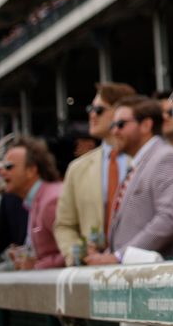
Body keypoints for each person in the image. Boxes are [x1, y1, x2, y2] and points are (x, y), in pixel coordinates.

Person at [86, 97, 173, 263]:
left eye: (121, 124)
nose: (114, 131)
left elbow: (171, 219)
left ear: (146, 125)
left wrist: (119, 257)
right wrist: (109, 254)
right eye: (112, 125)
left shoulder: (166, 159)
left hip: (166, 280)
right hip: (147, 280)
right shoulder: (142, 162)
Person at [54, 81, 136, 265]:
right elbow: (64, 225)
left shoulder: (146, 159)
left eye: (99, 110)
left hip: (139, 266)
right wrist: (77, 253)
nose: (92, 115)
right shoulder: (77, 169)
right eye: (90, 109)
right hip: (92, 270)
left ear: (120, 113)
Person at [0, 136, 64, 269]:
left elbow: (75, 250)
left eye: (9, 167)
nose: (2, 172)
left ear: (31, 171)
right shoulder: (36, 201)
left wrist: (36, 266)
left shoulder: (51, 201)